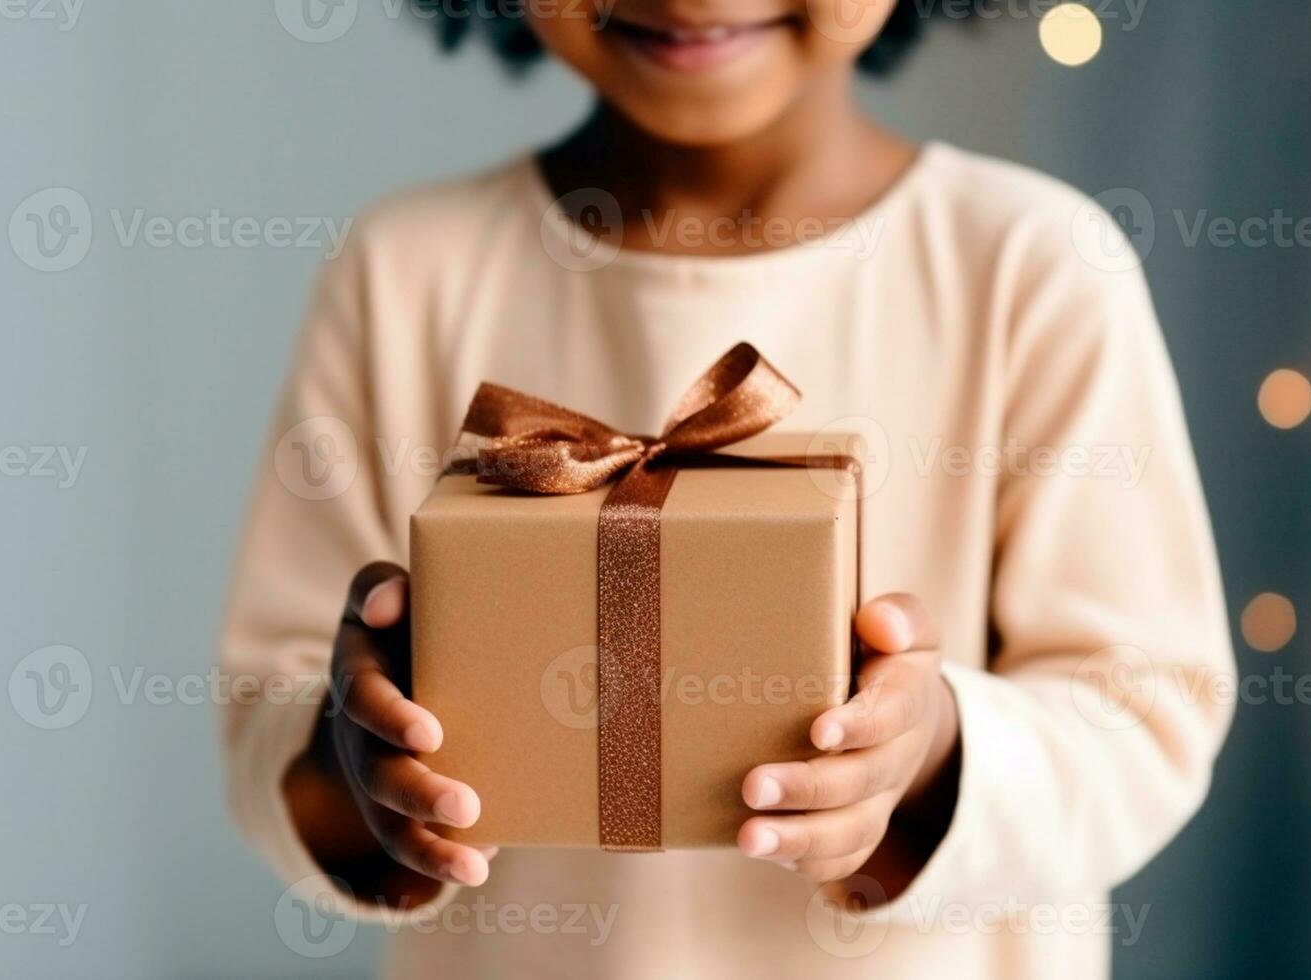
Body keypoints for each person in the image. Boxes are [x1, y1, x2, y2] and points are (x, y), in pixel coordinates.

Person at [220, 1, 1236, 975]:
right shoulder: (405, 270)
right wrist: (352, 751)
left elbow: (1143, 714)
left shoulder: (1033, 267)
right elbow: (271, 697)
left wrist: (928, 753)